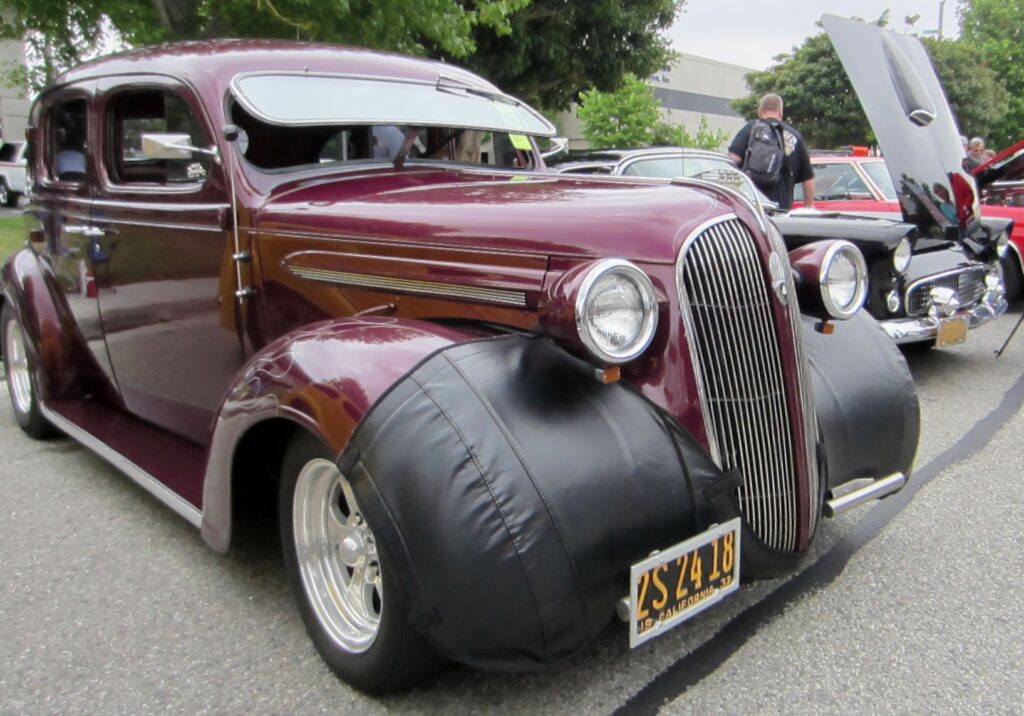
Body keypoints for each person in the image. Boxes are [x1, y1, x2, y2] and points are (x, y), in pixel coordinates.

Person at [728, 94, 815, 210]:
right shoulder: (795, 137)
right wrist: (808, 207)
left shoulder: (750, 129)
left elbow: (731, 160)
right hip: (781, 210)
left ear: (759, 111)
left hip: (753, 209)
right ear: (781, 112)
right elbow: (808, 178)